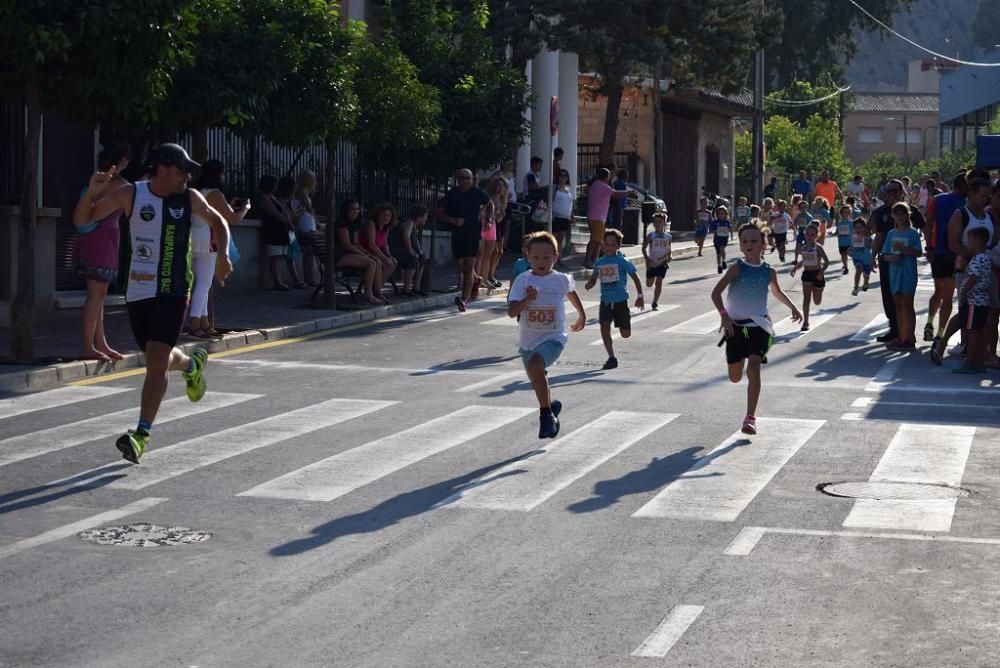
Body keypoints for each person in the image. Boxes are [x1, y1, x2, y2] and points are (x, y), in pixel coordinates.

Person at [73, 143, 231, 464]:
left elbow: (219, 221)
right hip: (138, 292)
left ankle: (141, 434)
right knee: (158, 356)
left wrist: (223, 255)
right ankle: (191, 364)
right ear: (162, 170)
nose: (187, 176)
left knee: (155, 360)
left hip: (173, 291)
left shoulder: (190, 198)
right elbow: (83, 221)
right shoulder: (131, 194)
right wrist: (90, 193)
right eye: (182, 170)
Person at [711, 225, 802, 436]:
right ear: (741, 246)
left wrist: (793, 307)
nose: (749, 245)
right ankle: (739, 360)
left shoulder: (768, 271)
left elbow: (777, 292)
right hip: (735, 328)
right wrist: (724, 316)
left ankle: (750, 417)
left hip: (760, 327)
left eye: (754, 241)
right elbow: (716, 293)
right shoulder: (737, 268)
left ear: (763, 244)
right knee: (735, 377)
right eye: (745, 241)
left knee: (754, 367)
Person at [507, 231, 586, 439]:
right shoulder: (522, 281)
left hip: (554, 338)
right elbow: (512, 312)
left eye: (546, 257)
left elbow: (570, 292)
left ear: (555, 257)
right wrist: (527, 300)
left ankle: (546, 417)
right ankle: (550, 407)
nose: (541, 262)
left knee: (535, 367)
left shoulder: (560, 279)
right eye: (536, 257)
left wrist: (581, 315)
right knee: (537, 378)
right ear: (527, 256)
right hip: (527, 342)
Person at [73, 141, 131, 361]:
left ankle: (100, 343)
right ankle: (88, 346)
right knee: (96, 295)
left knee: (98, 295)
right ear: (123, 160)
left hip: (89, 239)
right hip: (104, 240)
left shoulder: (97, 180)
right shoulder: (121, 185)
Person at [188, 159, 250, 338]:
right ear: (218, 174)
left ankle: (204, 323)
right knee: (204, 283)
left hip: (193, 235)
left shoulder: (196, 191)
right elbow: (232, 219)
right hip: (207, 236)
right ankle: (194, 324)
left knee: (200, 283)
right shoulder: (215, 193)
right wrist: (245, 208)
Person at [585, 229, 644, 370]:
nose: (609, 247)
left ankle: (625, 323)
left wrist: (640, 296)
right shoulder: (599, 262)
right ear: (603, 245)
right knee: (604, 328)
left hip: (620, 301)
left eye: (613, 244)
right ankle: (611, 357)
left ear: (619, 246)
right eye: (607, 244)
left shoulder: (623, 261)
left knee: (625, 334)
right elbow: (594, 277)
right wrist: (590, 283)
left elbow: (635, 277)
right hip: (605, 302)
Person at [924, 172, 968, 344]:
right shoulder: (967, 203)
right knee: (948, 296)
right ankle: (941, 333)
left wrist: (928, 247)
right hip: (956, 253)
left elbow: (928, 224)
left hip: (938, 251)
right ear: (963, 186)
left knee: (938, 291)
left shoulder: (937, 199)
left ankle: (929, 322)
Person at [445, 168, 493, 311]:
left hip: (473, 234)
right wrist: (452, 220)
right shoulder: (451, 194)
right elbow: (439, 213)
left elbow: (489, 204)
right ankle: (477, 279)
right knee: (460, 266)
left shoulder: (478, 193)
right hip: (457, 234)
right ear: (457, 180)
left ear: (472, 180)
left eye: (468, 178)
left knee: (468, 267)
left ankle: (463, 299)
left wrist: (488, 219)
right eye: (462, 178)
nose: (465, 180)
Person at [948, 227, 993, 373]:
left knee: (973, 332)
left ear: (978, 242)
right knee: (979, 331)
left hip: (974, 301)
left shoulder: (978, 259)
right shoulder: (984, 257)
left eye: (970, 240)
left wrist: (963, 292)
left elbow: (972, 278)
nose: (968, 243)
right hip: (982, 301)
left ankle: (970, 362)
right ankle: (979, 361)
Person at [881, 202, 922, 351]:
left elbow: (918, 252)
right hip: (894, 272)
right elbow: (885, 254)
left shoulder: (912, 233)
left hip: (908, 272)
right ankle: (902, 337)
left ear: (907, 215)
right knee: (898, 306)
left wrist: (904, 250)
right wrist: (890, 258)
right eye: (896, 213)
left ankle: (910, 339)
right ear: (893, 216)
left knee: (908, 305)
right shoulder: (891, 234)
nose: (899, 216)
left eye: (902, 213)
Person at [333, 199, 383, 306]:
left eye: (357, 209)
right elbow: (347, 245)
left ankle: (377, 292)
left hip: (350, 254)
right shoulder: (341, 223)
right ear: (346, 210)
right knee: (371, 263)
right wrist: (364, 255)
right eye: (352, 209)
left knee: (376, 260)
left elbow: (356, 243)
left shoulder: (355, 224)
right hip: (339, 255)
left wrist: (367, 253)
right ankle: (368, 296)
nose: (355, 211)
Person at [584, 167, 631, 269]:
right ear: (607, 177)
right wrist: (628, 192)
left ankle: (595, 260)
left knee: (598, 240)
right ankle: (587, 259)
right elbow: (616, 193)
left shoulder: (595, 184)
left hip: (597, 216)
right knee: (594, 240)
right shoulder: (602, 186)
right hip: (597, 217)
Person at [789, 225, 829, 331]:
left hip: (818, 275)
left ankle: (819, 292)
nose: (809, 237)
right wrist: (795, 268)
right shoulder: (803, 248)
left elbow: (827, 261)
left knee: (817, 301)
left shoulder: (818, 247)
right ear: (805, 235)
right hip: (807, 275)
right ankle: (806, 322)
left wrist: (821, 272)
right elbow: (804, 261)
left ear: (816, 235)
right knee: (806, 298)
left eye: (812, 235)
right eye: (807, 234)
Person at [258, 175, 293, 291]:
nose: (277, 187)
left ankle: (281, 280)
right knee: (274, 256)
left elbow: (284, 210)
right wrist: (286, 220)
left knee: (281, 255)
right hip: (272, 229)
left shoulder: (274, 197)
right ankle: (277, 282)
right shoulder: (264, 198)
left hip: (281, 230)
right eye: (275, 184)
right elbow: (274, 213)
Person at [360, 203, 399, 298]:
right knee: (384, 263)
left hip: (376, 253)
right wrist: (385, 258)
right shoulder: (371, 224)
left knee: (393, 262)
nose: (386, 217)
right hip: (365, 252)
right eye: (383, 215)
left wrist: (389, 256)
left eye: (389, 215)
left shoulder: (386, 228)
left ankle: (377, 288)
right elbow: (371, 244)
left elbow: (385, 244)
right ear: (378, 215)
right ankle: (376, 291)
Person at [389, 204, 428, 296]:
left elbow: (415, 241)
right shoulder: (409, 223)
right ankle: (406, 289)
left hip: (400, 250)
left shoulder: (413, 225)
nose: (426, 218)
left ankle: (416, 288)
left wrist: (419, 252)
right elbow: (405, 236)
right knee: (412, 259)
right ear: (419, 216)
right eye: (425, 216)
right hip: (395, 251)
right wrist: (411, 251)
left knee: (422, 258)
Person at [292, 170, 320, 286]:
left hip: (306, 222)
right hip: (306, 223)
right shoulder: (302, 193)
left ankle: (309, 277)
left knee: (309, 252)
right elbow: (309, 209)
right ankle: (309, 277)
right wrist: (317, 221)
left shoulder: (301, 192)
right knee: (309, 251)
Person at [479, 176, 507, 287]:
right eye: (498, 185)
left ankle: (485, 279)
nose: (499, 188)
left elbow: (499, 219)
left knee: (488, 255)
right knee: (480, 253)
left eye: (502, 186)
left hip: (493, 226)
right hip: (482, 224)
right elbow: (481, 212)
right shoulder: (487, 198)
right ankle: (480, 279)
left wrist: (500, 215)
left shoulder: (502, 201)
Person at [642, 212, 672, 310]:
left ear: (664, 223)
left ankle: (655, 302)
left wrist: (669, 256)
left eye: (660, 221)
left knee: (659, 282)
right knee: (649, 284)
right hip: (652, 263)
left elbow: (668, 250)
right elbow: (643, 248)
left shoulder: (668, 237)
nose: (657, 223)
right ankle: (651, 278)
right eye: (655, 222)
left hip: (662, 263)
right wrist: (647, 259)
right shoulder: (651, 235)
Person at [551, 169, 574, 262]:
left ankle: (558, 258)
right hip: (556, 216)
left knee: (561, 238)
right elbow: (550, 201)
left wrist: (572, 216)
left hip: (566, 217)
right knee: (553, 238)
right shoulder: (554, 188)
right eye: (561, 175)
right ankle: (551, 257)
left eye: (565, 176)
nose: (563, 177)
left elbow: (570, 204)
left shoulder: (568, 190)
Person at [849, 219, 874, 296]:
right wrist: (849, 252)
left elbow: (871, 246)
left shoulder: (868, 237)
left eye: (860, 227)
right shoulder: (853, 237)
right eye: (856, 228)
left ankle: (865, 283)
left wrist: (866, 240)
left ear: (864, 228)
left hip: (867, 259)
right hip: (857, 258)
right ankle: (856, 288)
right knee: (858, 269)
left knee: (866, 275)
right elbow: (851, 247)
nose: (858, 229)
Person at [709, 205, 733, 273]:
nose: (721, 215)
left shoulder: (727, 222)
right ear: (717, 214)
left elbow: (730, 229)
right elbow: (711, 230)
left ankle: (724, 261)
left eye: (722, 213)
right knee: (718, 254)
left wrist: (731, 236)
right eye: (719, 213)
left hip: (724, 239)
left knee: (722, 249)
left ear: (725, 214)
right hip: (717, 239)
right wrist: (715, 231)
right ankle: (719, 265)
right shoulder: (715, 222)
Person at [833, 204, 854, 275]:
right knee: (843, 256)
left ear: (850, 213)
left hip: (849, 243)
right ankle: (846, 267)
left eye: (848, 212)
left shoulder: (851, 223)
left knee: (849, 254)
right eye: (844, 212)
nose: (846, 214)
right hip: (841, 243)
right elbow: (837, 232)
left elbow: (855, 232)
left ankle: (854, 264)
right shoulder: (839, 223)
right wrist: (833, 233)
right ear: (841, 213)